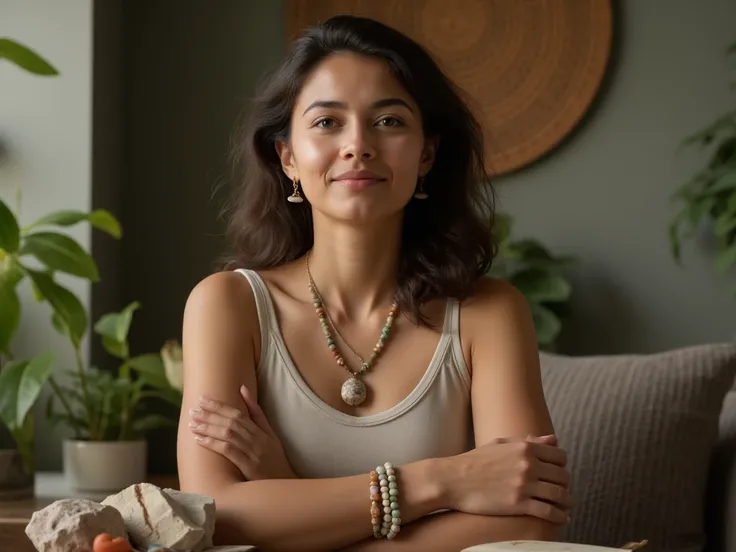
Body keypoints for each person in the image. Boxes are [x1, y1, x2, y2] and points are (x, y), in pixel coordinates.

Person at [177, 14, 572, 552]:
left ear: (427, 154)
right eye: (327, 122)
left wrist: (291, 498)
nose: (358, 145)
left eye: (389, 121)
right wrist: (442, 481)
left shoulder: (489, 314)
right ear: (287, 157)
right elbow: (212, 514)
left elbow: (534, 520)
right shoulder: (228, 306)